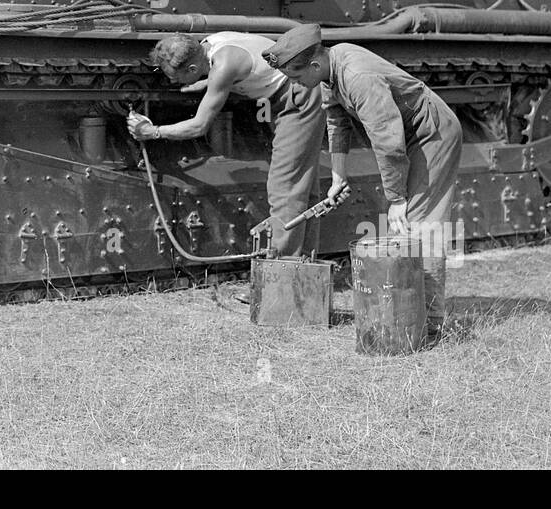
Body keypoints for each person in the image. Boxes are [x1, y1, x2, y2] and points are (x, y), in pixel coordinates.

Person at [262, 23, 462, 333]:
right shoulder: (329, 67)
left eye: (298, 77)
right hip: (408, 135)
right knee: (406, 224)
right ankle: (409, 308)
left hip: (432, 133)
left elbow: (387, 140)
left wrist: (396, 199)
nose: (298, 85)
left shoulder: (357, 77)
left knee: (421, 223)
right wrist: (339, 175)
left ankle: (429, 323)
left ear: (314, 64)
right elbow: (337, 121)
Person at [127, 32, 326, 257]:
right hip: (293, 92)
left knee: (285, 187)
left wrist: (152, 132)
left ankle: (284, 270)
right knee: (302, 185)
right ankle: (305, 262)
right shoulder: (210, 44)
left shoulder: (223, 65)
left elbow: (199, 126)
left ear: (192, 69)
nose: (173, 82)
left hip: (299, 97)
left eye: (175, 77)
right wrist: (209, 82)